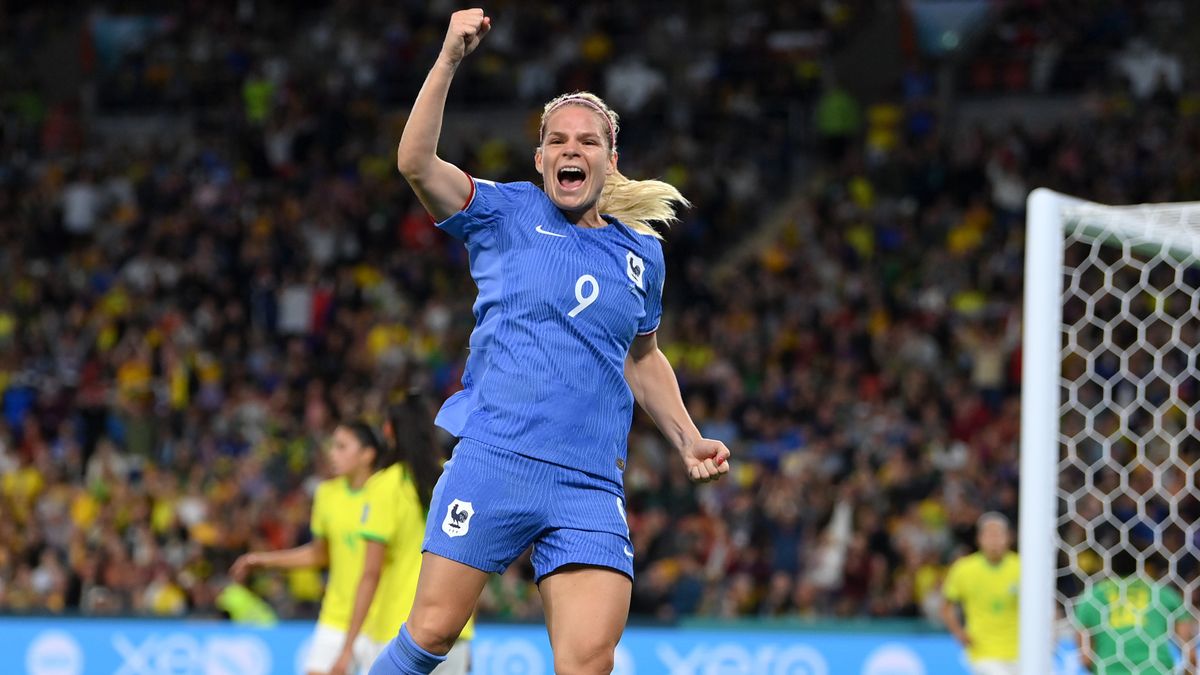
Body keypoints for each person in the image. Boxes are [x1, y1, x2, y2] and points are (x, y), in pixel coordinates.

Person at [370, 8, 732, 675]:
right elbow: (414, 161)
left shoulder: (641, 256)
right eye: (558, 139)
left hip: (588, 484)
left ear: (610, 159)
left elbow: (643, 356)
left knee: (588, 660)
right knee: (431, 634)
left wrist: (688, 436)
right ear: (540, 157)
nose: (573, 149)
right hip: (495, 458)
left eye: (589, 141)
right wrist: (449, 56)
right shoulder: (505, 212)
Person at [328, 395, 472, 675]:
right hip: (455, 629)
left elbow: (371, 573)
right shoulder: (453, 476)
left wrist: (348, 647)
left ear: (389, 431)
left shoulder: (384, 486)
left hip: (399, 634)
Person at [230, 422, 388, 675]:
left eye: (341, 447)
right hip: (335, 617)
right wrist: (263, 561)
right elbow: (320, 554)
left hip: (381, 622)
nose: (331, 453)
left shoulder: (388, 493)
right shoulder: (326, 494)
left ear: (367, 454)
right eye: (332, 446)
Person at [1074, 549, 1197, 674]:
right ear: (1142, 566)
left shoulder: (1089, 598)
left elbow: (1086, 658)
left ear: (1108, 565)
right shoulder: (1164, 594)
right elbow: (1190, 654)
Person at [941, 512, 1020, 675]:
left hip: (1021, 650)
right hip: (982, 652)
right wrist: (958, 633)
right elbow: (947, 606)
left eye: (999, 535)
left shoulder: (1022, 567)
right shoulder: (964, 569)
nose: (994, 541)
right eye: (990, 535)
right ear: (979, 539)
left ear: (1008, 538)